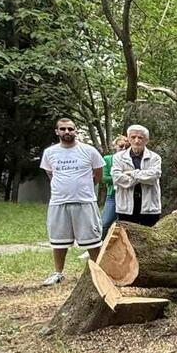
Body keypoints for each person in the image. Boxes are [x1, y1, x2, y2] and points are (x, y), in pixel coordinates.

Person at [39, 118, 105, 285]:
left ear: (76, 131)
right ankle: (58, 273)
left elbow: (98, 174)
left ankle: (99, 273)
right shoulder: (50, 152)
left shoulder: (89, 151)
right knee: (58, 241)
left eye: (70, 129)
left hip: (84, 201)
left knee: (92, 240)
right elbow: (50, 174)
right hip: (59, 202)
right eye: (63, 129)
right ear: (57, 131)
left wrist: (83, 187)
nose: (67, 132)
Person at [111, 125, 162, 227]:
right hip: (126, 206)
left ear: (146, 140)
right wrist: (143, 176)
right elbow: (117, 178)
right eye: (133, 137)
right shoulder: (118, 157)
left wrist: (132, 173)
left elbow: (154, 176)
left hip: (149, 207)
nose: (137, 141)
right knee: (127, 239)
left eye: (140, 138)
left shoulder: (155, 157)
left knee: (149, 239)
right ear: (128, 138)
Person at [100, 135, 129, 237]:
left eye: (126, 146)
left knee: (125, 224)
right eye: (121, 146)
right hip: (113, 195)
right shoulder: (108, 159)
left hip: (128, 195)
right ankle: (99, 246)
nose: (123, 149)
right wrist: (123, 177)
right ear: (115, 146)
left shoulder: (131, 160)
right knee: (105, 223)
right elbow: (104, 178)